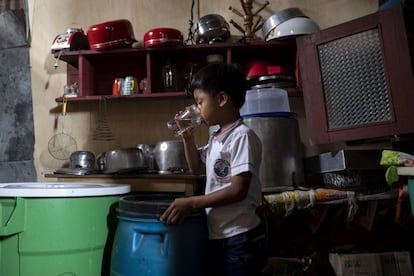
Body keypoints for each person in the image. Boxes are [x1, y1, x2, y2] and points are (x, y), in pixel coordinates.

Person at [160, 63, 267, 276]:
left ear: (221, 99)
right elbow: (198, 168)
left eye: (200, 102)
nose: (197, 109)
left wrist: (192, 203)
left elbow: (238, 190)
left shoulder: (241, 136)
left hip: (241, 236)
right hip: (221, 234)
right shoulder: (216, 137)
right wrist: (187, 137)